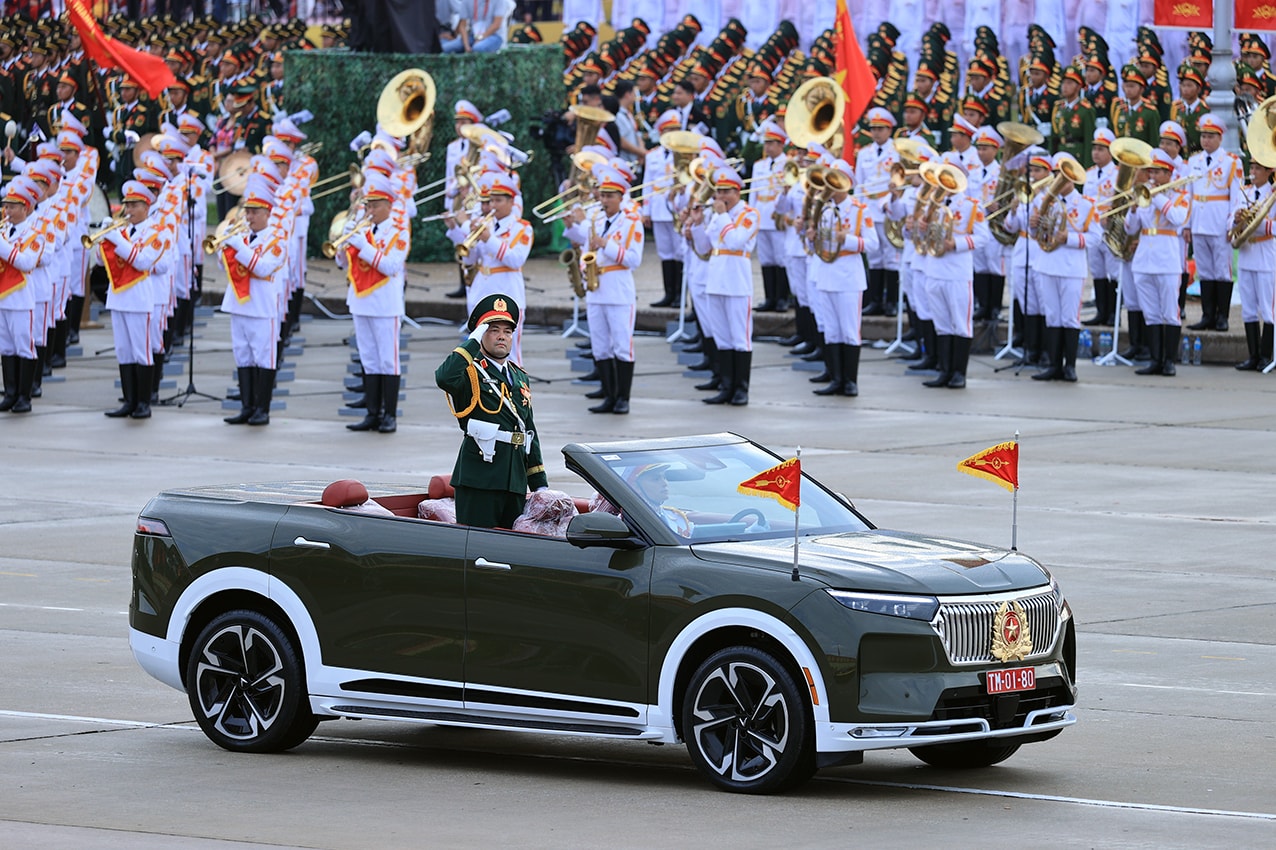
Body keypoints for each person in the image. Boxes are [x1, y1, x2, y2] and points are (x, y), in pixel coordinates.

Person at [435, 294, 548, 529]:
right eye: (493, 330)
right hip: (480, 479)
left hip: (514, 481)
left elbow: (529, 432)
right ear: (481, 335)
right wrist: (472, 342)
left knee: (510, 547)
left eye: (507, 331)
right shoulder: (469, 371)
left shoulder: (519, 376)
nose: (501, 336)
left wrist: (539, 485)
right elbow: (444, 377)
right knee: (477, 545)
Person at [335, 172, 409, 433]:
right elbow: (345, 264)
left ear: (389, 205)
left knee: (388, 360)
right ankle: (372, 413)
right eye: (368, 205)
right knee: (368, 359)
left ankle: (389, 415)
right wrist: (343, 248)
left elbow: (390, 266)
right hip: (360, 301)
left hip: (386, 304)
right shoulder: (362, 229)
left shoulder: (398, 232)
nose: (370, 211)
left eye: (375, 205)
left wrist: (363, 246)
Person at [568, 164, 643, 414]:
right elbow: (586, 252)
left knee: (622, 345)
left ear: (621, 198)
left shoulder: (631, 222)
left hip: (619, 290)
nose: (605, 200)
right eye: (603, 195)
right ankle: (609, 395)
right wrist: (584, 266)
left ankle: (623, 398)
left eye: (610, 196)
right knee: (600, 345)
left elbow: (634, 259)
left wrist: (606, 245)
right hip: (596, 290)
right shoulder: (596, 220)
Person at [219, 174, 287, 425]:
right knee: (242, 355)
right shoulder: (243, 237)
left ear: (268, 213)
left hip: (261, 306)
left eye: (255, 212)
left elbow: (263, 268)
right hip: (238, 303)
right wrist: (225, 248)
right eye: (247, 211)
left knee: (263, 357)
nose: (249, 217)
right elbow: (226, 267)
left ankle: (262, 409)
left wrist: (238, 247)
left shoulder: (276, 241)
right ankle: (247, 407)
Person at [98, 180, 167, 420]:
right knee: (123, 351)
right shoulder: (122, 231)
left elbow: (142, 261)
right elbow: (101, 261)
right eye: (127, 205)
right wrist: (104, 239)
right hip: (118, 297)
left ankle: (143, 403)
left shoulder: (156, 232)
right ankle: (129, 401)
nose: (129, 210)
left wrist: (116, 240)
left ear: (146, 207)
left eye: (134, 205)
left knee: (141, 351)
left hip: (138, 298)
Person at [694, 164, 759, 405]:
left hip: (736, 281)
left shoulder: (749, 214)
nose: (721, 196)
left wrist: (721, 216)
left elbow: (735, 241)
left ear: (737, 192)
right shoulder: (717, 216)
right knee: (722, 336)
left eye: (726, 191)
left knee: (740, 336)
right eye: (718, 191)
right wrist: (696, 225)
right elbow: (704, 247)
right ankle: (726, 385)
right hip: (716, 280)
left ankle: (741, 388)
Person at [1124, 148, 1190, 376]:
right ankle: (1155, 360)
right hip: (1144, 260)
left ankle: (1169, 361)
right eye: (1151, 172)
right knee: (1151, 313)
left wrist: (1156, 196)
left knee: (1170, 312)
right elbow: (1130, 229)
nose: (1152, 176)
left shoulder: (1180, 196)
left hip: (1167, 260)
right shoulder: (1143, 197)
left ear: (1169, 174)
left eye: (1158, 172)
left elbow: (1178, 218)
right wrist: (1133, 210)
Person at [1185, 114, 1244, 333]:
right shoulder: (1194, 161)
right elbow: (1188, 194)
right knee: (1205, 271)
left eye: (1211, 136)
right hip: (1199, 222)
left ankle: (1222, 316)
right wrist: (1187, 225)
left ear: (1220, 138)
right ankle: (1207, 315)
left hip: (1220, 222)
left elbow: (1236, 196)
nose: (1206, 140)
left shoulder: (1231, 161)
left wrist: (1232, 225)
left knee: (1222, 270)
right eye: (1203, 136)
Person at [0, 177, 44, 415]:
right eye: (6, 206)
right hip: (2, 297)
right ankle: (10, 393)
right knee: (6, 347)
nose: (7, 211)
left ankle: (24, 396)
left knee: (23, 346)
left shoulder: (34, 234)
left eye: (12, 207)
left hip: (20, 298)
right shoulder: (4, 231)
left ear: (25, 208)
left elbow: (27, 263)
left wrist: (2, 246)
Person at [1231, 156, 1276, 372]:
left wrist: (1259, 222)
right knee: (1248, 308)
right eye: (1252, 167)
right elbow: (1231, 223)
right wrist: (1237, 219)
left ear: (1269, 172)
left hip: (1266, 254)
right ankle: (1253, 355)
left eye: (1258, 168)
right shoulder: (1245, 193)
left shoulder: (1273, 195)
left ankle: (1267, 356)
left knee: (1267, 308)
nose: (1253, 172)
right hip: (1247, 254)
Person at [630, 463, 692, 537]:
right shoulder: (632, 520)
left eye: (664, 477)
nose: (665, 483)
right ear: (636, 487)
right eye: (656, 479)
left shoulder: (678, 517)